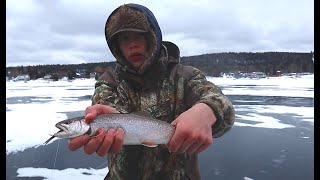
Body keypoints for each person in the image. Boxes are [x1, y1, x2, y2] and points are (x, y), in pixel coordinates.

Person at [68, 3, 235, 180]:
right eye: (124, 38)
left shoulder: (186, 76)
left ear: (153, 37)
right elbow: (104, 105)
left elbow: (221, 105)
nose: (132, 45)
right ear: (116, 46)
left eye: (139, 35)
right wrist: (111, 121)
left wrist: (207, 110)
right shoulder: (109, 82)